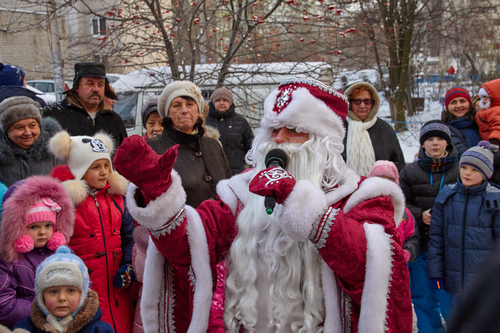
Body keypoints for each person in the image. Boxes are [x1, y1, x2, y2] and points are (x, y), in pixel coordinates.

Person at [114, 77, 413, 332]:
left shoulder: (361, 195)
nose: (278, 140)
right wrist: (159, 194)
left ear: (324, 141)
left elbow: (377, 271)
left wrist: (306, 209)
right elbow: (188, 249)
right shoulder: (241, 192)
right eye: (273, 129)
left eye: (294, 129)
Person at [49, 131, 135, 333]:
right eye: (95, 167)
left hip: (118, 292)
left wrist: (128, 264)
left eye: (106, 165)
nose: (104, 172)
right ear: (79, 170)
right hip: (84, 291)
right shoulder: (67, 203)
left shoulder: (118, 199)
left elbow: (128, 238)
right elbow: (59, 244)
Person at [399, 120, 459, 333]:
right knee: (423, 297)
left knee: (450, 298)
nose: (435, 143)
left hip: (450, 248)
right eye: (429, 139)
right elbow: (400, 203)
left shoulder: (461, 169)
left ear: (447, 143)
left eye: (440, 139)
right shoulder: (410, 171)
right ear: (422, 144)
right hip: (420, 245)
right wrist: (419, 214)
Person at [427, 143, 500, 308]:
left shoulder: (495, 199)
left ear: (486, 174)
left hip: (485, 282)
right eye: (464, 167)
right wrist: (436, 272)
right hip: (455, 279)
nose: (467, 173)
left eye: (475, 170)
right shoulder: (447, 195)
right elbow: (436, 237)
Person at [0, 176, 74, 328]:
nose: (42, 232)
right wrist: (45, 312)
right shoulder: (10, 260)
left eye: (48, 226)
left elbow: (83, 284)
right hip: (28, 326)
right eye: (34, 227)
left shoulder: (63, 253)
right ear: (18, 228)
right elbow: (4, 302)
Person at [147, 80, 232, 208]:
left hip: (220, 225)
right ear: (167, 113)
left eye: (190, 104)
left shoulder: (213, 145)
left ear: (198, 111)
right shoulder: (153, 148)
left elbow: (228, 186)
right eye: (176, 105)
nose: (184, 110)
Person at [12, 246, 114, 333]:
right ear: (41, 295)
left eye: (70, 290)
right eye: (53, 291)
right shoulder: (24, 329)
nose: (62, 298)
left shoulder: (100, 330)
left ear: (82, 293)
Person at [43, 63, 128, 146]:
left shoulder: (114, 120)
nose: (96, 89)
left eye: (100, 84)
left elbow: (125, 157)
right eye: (90, 84)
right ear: (76, 87)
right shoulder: (54, 115)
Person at [343, 82, 405, 176]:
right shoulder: (338, 128)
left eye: (367, 101)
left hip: (379, 188)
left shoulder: (385, 130)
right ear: (349, 103)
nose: (362, 105)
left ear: (373, 102)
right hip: (343, 188)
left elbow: (398, 167)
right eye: (357, 101)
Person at [0, 96, 62, 186]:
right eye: (19, 127)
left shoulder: (55, 152)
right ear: (7, 132)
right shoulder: (2, 161)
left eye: (32, 125)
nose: (28, 132)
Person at [368, 160, 420, 262]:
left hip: (397, 265)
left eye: (389, 181)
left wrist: (407, 253)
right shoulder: (362, 207)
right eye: (379, 180)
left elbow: (413, 238)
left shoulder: (403, 212)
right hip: (369, 263)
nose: (384, 185)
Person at [206, 87, 254, 175]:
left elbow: (251, 146)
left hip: (237, 171)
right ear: (213, 102)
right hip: (210, 171)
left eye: (225, 100)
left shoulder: (241, 121)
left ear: (230, 102)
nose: (221, 103)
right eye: (218, 100)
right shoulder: (204, 121)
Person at [441, 86, 481, 157]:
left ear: (469, 104)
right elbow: (461, 153)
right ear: (447, 107)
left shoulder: (480, 122)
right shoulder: (445, 130)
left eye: (462, 101)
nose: (458, 105)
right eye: (453, 102)